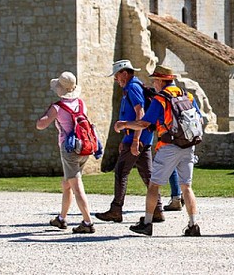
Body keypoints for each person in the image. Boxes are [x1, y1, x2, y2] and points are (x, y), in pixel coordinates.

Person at [115, 65, 201, 237]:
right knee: (187, 187)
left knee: (154, 185)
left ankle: (147, 223)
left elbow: (144, 123)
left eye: (155, 80)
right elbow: (198, 117)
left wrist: (123, 124)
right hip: (188, 145)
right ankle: (193, 224)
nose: (154, 84)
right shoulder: (187, 95)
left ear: (162, 81)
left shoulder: (161, 99)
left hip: (168, 145)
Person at [96, 60, 165, 223]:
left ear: (125, 74)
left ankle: (116, 210)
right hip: (142, 137)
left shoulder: (133, 87)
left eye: (117, 75)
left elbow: (139, 114)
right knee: (148, 175)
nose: (115, 79)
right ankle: (157, 209)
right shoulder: (133, 86)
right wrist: (128, 139)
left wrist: (134, 140)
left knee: (121, 172)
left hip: (138, 137)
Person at [35, 71, 95, 234]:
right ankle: (61, 218)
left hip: (69, 149)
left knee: (76, 186)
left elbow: (41, 125)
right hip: (85, 147)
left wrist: (43, 117)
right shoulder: (81, 104)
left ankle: (87, 222)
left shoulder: (57, 107)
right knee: (67, 183)